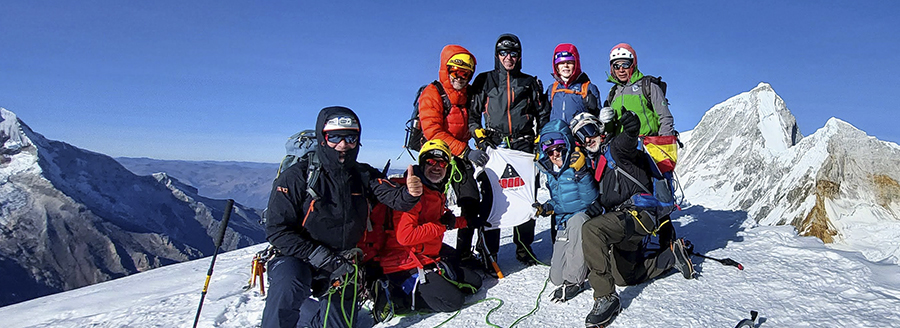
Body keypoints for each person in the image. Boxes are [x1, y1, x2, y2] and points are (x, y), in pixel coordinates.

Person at [262, 106, 422, 328]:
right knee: (289, 285)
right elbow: (278, 230)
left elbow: (393, 198)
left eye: (350, 138)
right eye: (334, 137)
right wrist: (319, 256)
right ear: (322, 138)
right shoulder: (297, 176)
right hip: (297, 256)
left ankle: (311, 315)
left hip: (342, 261)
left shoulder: (362, 174)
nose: (343, 145)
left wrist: (410, 194)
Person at [572, 110, 693, 327]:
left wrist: (631, 126)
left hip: (638, 215)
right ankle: (671, 256)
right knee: (623, 277)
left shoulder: (615, 148)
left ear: (599, 128)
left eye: (589, 131)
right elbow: (609, 197)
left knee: (592, 230)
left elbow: (628, 140)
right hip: (625, 222)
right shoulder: (597, 164)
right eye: (581, 136)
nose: (587, 138)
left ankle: (605, 298)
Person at [467, 33, 550, 267]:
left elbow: (542, 114)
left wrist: (539, 139)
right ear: (497, 55)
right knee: (493, 198)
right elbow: (472, 116)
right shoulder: (484, 81)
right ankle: (489, 252)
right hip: (495, 145)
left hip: (523, 144)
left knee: (526, 197)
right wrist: (479, 137)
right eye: (503, 53)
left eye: (513, 53)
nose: (508, 58)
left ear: (519, 56)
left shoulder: (529, 82)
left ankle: (524, 248)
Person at [373, 139, 483, 316]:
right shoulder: (411, 193)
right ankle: (396, 296)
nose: (436, 166)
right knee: (452, 301)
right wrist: (442, 225)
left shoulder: (435, 190)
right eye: (431, 161)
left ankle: (433, 278)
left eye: (442, 162)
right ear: (422, 163)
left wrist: (468, 222)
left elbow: (438, 221)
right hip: (402, 260)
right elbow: (405, 236)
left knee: (474, 282)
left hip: (426, 252)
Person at [418, 45, 490, 262]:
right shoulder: (432, 93)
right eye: (456, 72)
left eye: (466, 74)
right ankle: (423, 253)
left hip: (459, 158)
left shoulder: (467, 97)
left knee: (471, 203)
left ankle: (464, 254)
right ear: (445, 69)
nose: (461, 77)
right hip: (436, 159)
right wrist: (466, 151)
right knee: (430, 209)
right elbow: (433, 131)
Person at [533, 119, 597, 303]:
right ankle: (579, 269)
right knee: (556, 277)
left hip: (583, 219)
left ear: (566, 145)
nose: (554, 154)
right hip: (563, 222)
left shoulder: (578, 163)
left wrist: (583, 173)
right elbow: (558, 202)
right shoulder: (551, 172)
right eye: (550, 151)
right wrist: (546, 208)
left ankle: (575, 282)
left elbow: (589, 198)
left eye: (558, 148)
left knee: (578, 222)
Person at [605, 43, 675, 136]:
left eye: (625, 65)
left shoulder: (648, 86)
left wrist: (665, 143)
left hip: (649, 145)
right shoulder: (613, 93)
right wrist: (606, 121)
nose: (621, 70)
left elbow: (665, 117)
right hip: (621, 147)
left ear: (633, 65)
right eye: (616, 66)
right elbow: (610, 129)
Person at [546, 43, 601, 124]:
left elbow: (598, 115)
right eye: (561, 63)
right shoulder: (552, 89)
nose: (565, 66)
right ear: (556, 67)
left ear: (576, 64)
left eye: (569, 62)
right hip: (557, 133)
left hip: (579, 134)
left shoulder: (587, 87)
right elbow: (545, 114)